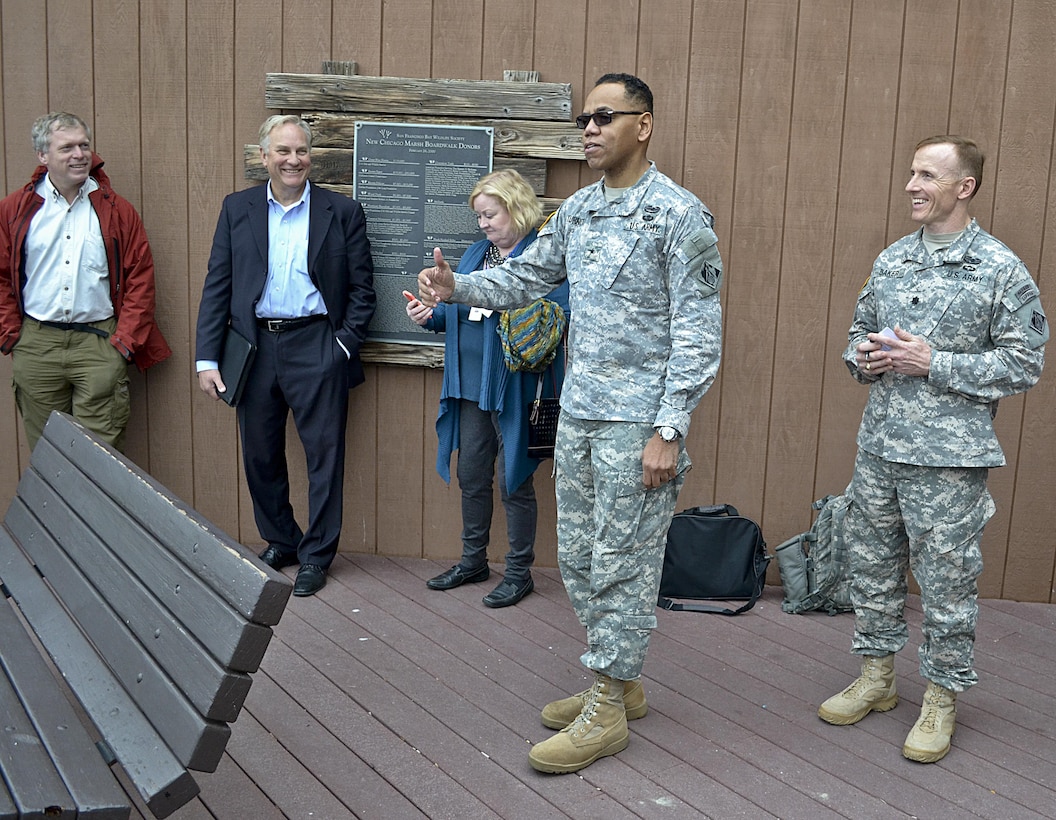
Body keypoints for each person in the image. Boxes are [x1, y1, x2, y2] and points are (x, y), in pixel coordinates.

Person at [419, 73, 723, 773]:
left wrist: (669, 429)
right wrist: (458, 286)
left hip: (637, 424)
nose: (588, 128)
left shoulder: (680, 217)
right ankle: (620, 682)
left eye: (604, 116)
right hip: (580, 415)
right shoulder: (579, 211)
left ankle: (608, 708)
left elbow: (700, 336)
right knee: (583, 560)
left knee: (623, 564)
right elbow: (526, 279)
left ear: (642, 126)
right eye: (585, 116)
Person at [818, 136, 1047, 763]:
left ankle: (942, 697)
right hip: (881, 448)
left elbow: (1026, 363)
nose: (913, 185)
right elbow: (857, 334)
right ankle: (877, 676)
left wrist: (934, 362)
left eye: (928, 175)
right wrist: (863, 356)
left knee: (946, 580)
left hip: (949, 459)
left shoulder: (999, 268)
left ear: (963, 187)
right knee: (872, 564)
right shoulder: (893, 259)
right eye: (912, 173)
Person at [195, 115, 376, 597]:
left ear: (310, 157)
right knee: (260, 453)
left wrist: (341, 345)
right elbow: (218, 285)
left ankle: (317, 555)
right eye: (282, 151)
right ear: (264, 157)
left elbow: (362, 290)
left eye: (301, 151)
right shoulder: (238, 208)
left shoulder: (342, 212)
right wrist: (206, 359)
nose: (293, 160)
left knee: (324, 455)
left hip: (317, 343)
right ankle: (282, 539)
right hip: (254, 346)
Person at [406, 170, 568, 609]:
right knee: (472, 474)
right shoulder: (477, 253)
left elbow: (557, 316)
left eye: (490, 214)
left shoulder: (544, 256)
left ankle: (519, 573)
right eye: (478, 216)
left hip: (519, 389)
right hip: (473, 386)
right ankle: (473, 560)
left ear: (515, 207)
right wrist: (430, 316)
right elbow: (456, 313)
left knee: (514, 480)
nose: (483, 224)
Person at [0, 112, 171, 452]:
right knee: (48, 456)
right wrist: (11, 335)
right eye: (67, 148)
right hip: (37, 346)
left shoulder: (116, 210)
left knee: (99, 460)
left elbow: (141, 280)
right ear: (42, 155)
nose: (79, 154)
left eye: (84, 145)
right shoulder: (16, 210)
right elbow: (2, 276)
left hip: (99, 345)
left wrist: (122, 343)